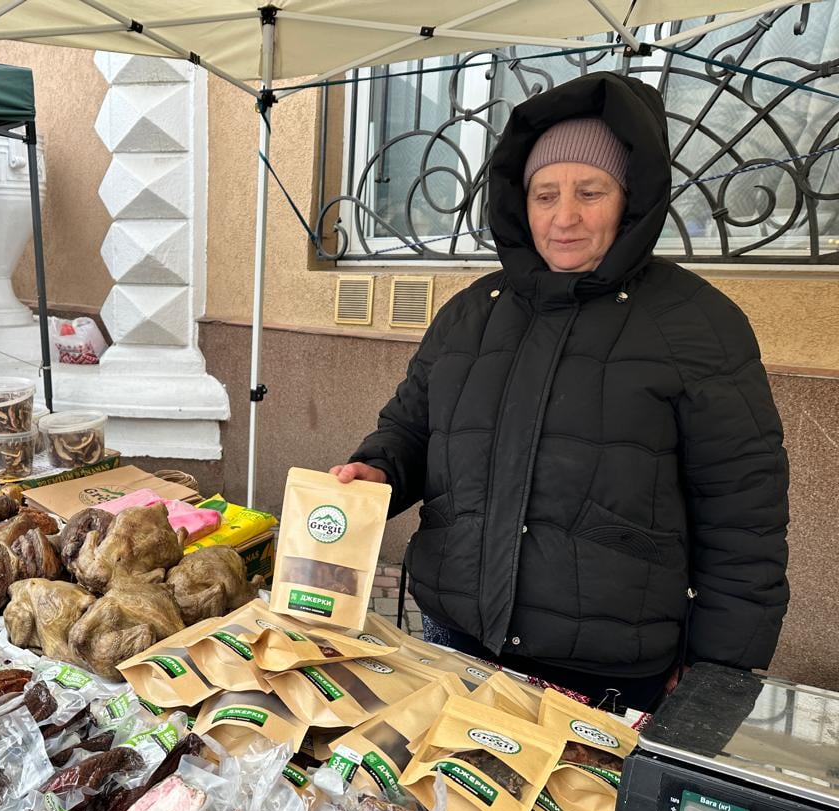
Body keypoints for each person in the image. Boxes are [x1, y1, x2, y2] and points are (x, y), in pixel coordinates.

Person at [331, 73, 789, 712]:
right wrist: (378, 469)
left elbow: (744, 521)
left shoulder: (699, 327)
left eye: (590, 192)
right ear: (521, 204)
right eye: (545, 194)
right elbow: (411, 426)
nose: (564, 217)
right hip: (453, 640)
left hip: (605, 673)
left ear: (630, 199)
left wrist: (720, 675)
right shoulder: (471, 314)